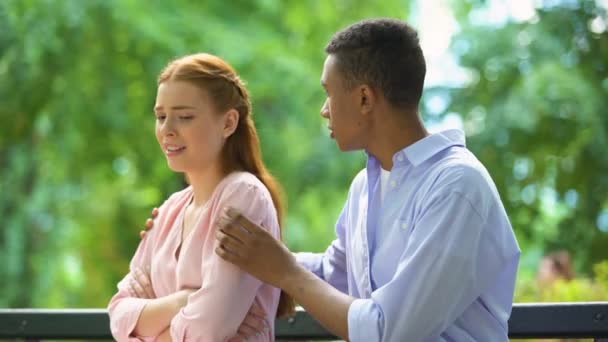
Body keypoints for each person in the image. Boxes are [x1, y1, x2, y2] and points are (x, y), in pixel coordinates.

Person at [212, 18, 522, 341]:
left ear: (364, 98)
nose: (324, 110)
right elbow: (335, 275)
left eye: (328, 93)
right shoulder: (365, 184)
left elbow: (388, 331)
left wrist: (284, 272)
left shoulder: (457, 186)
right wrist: (245, 251)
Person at [108, 53, 294, 342]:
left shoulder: (244, 195)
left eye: (185, 117)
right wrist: (183, 301)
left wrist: (150, 325)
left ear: (229, 123)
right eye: (160, 117)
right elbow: (119, 313)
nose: (167, 130)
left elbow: (208, 331)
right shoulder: (171, 209)